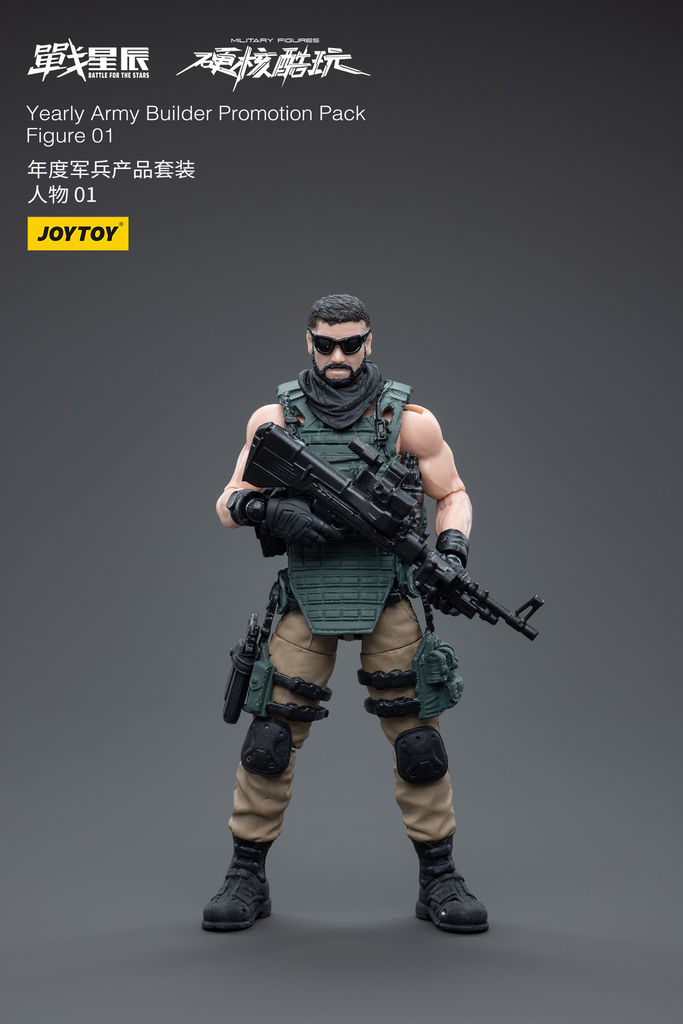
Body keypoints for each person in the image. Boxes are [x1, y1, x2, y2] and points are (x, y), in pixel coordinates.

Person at [203, 294, 488, 933]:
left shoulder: (409, 421)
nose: (339, 355)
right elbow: (228, 501)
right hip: (308, 594)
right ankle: (246, 874)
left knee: (418, 742)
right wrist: (270, 510)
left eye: (351, 343)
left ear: (368, 342)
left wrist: (451, 551)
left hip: (388, 593)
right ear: (309, 342)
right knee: (270, 740)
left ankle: (439, 877)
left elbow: (453, 492)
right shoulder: (276, 419)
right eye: (326, 343)